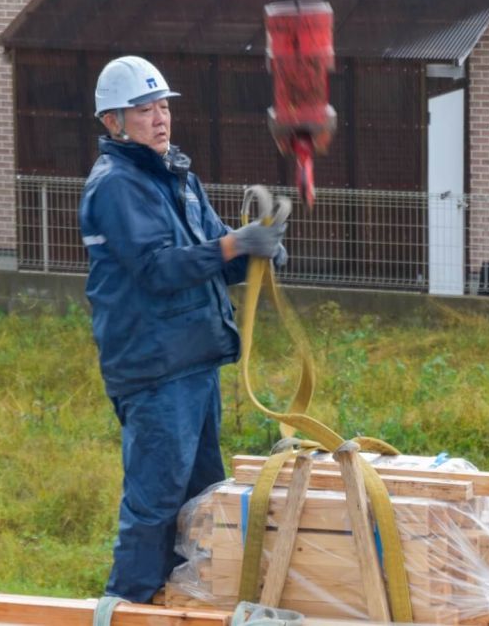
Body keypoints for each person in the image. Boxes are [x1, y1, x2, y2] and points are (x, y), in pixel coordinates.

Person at [79, 56, 288, 603]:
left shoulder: (179, 179)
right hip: (153, 370)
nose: (159, 117)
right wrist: (234, 244)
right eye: (143, 109)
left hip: (193, 362)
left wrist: (256, 251)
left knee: (201, 501)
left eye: (163, 106)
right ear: (112, 122)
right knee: (155, 506)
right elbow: (158, 268)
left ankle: (185, 604)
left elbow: (215, 255)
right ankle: (128, 606)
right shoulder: (117, 186)